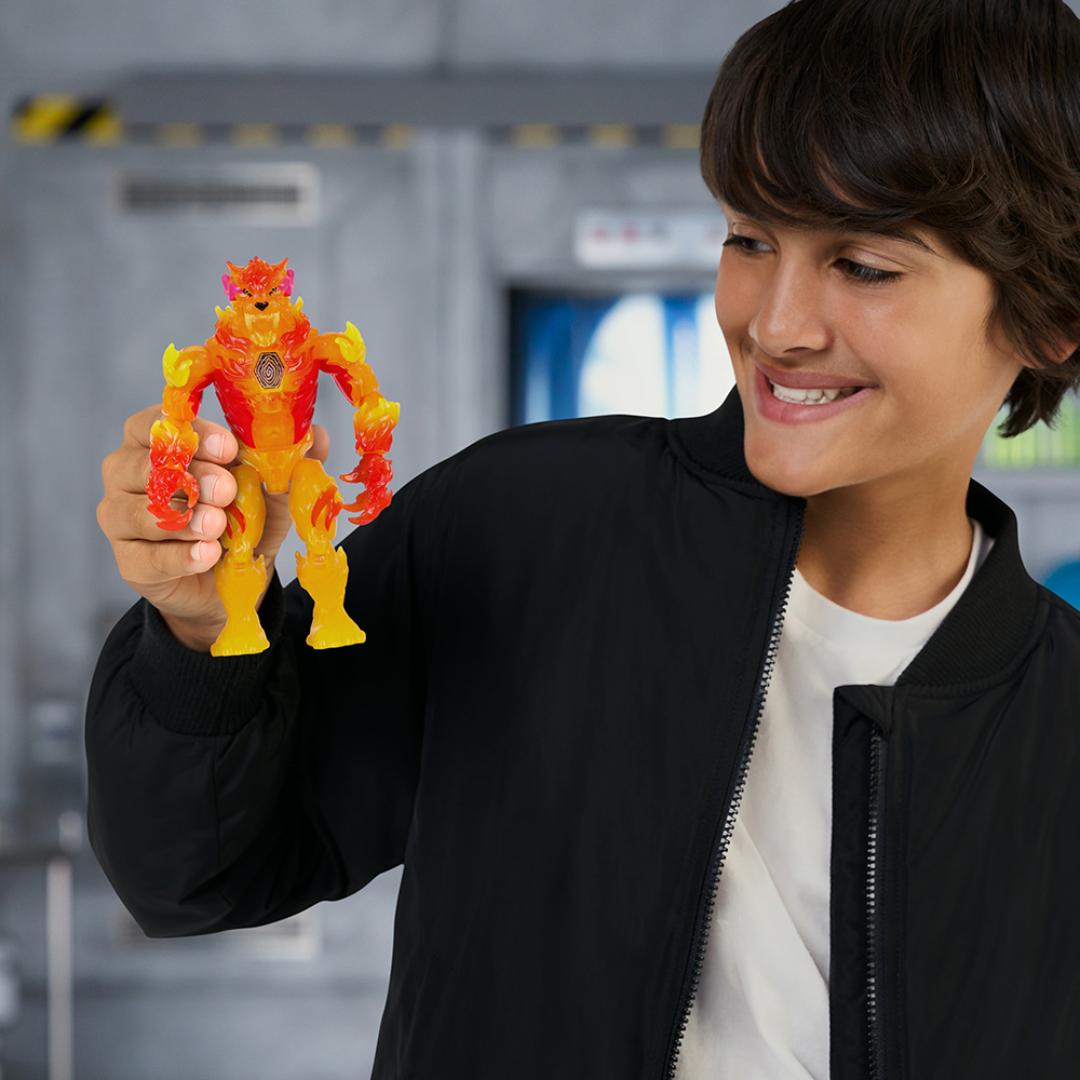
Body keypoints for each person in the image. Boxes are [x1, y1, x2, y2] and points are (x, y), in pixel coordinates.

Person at [87, 0, 1080, 1076]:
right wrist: (202, 634)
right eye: (749, 239)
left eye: (865, 266)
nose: (775, 323)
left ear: (1048, 315)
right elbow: (198, 873)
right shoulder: (516, 531)